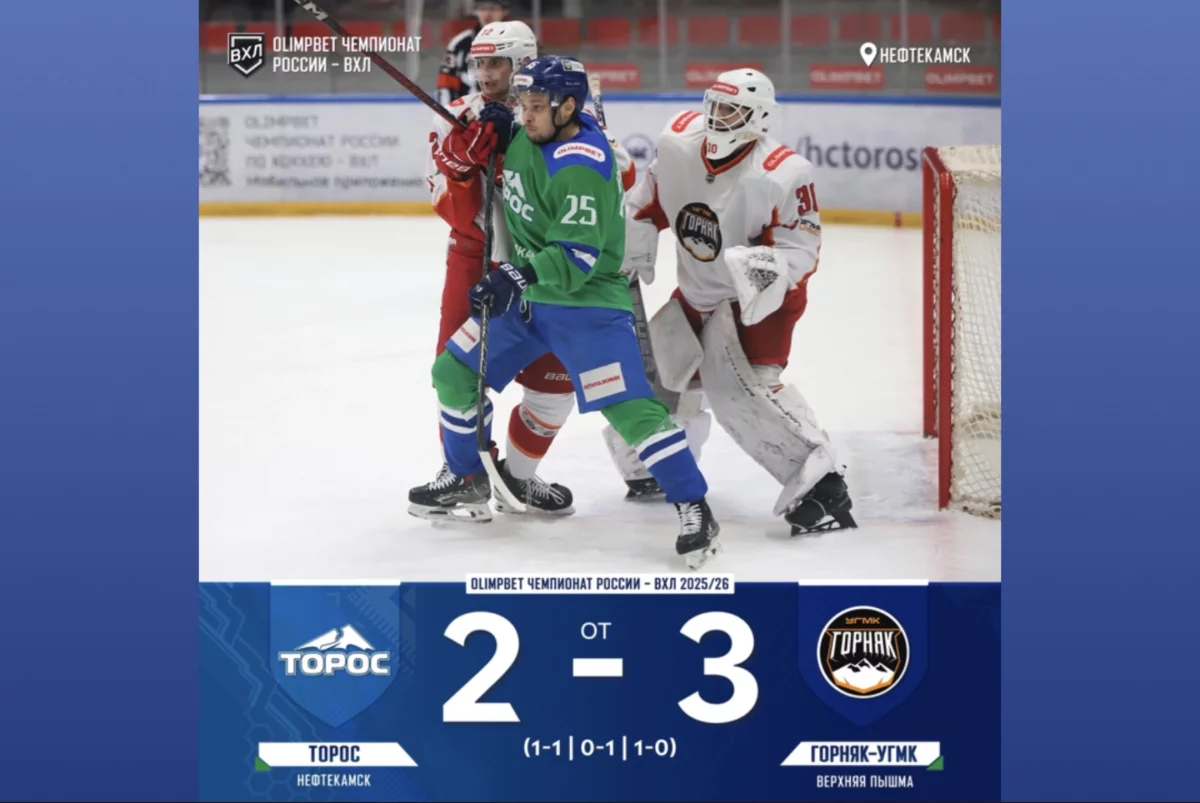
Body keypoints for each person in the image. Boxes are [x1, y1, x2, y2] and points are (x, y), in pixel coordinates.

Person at [409, 55, 722, 569]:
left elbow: (576, 257)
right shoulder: (528, 133)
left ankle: (694, 506)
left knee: (630, 411)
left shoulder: (581, 164)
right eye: (523, 105)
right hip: (531, 299)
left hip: (586, 307)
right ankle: (466, 478)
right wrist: (497, 126)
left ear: (568, 107)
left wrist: (514, 276)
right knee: (453, 371)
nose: (527, 115)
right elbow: (479, 164)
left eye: (537, 106)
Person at [602, 68, 858, 537]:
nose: (718, 117)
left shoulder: (782, 172)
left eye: (732, 110)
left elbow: (801, 251)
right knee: (659, 379)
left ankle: (825, 488)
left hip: (757, 305)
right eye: (715, 105)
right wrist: (630, 248)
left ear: (758, 118)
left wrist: (759, 273)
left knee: (745, 395)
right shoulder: (678, 143)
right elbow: (646, 203)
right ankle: (651, 465)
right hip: (696, 293)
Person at [416, 27, 636, 518]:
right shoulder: (461, 114)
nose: (486, 74)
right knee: (457, 372)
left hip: (546, 266)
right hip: (477, 258)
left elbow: (621, 175)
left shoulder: (561, 111)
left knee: (553, 382)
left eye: (498, 63)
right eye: (480, 64)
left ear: (522, 63)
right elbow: (444, 202)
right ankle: (464, 474)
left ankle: (518, 476)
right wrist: (464, 163)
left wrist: (521, 138)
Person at [437, 0, 510, 106]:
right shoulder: (460, 43)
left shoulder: (518, 41)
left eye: (493, 9)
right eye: (482, 9)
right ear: (476, 11)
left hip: (508, 111)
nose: (487, 14)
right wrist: (447, 112)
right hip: (468, 112)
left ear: (504, 11)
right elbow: (446, 82)